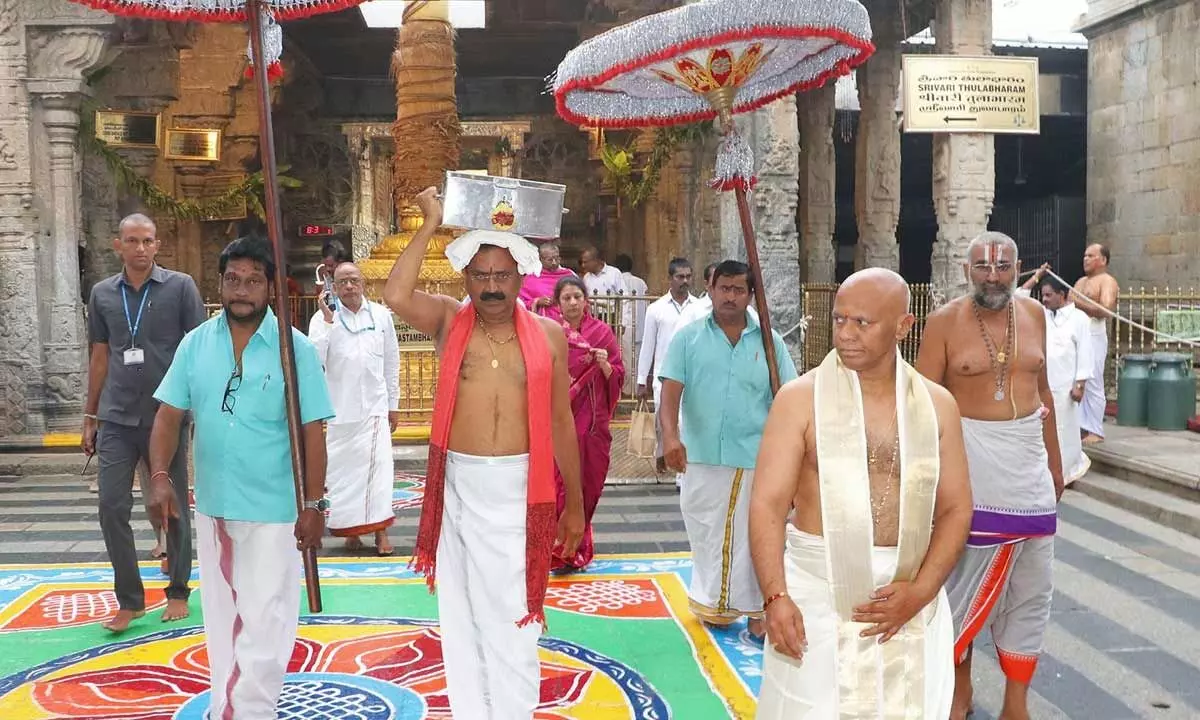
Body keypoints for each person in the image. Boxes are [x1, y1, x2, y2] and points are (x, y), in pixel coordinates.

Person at [382, 186, 585, 718]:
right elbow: (397, 296)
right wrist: (428, 223)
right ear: (464, 278)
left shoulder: (548, 335)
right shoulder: (450, 322)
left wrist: (577, 503)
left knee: (516, 618)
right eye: (480, 276)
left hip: (522, 492)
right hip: (459, 491)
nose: (491, 288)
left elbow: (562, 421)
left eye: (501, 276)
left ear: (521, 276)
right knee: (465, 614)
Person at [750, 268, 973, 718]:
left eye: (862, 323)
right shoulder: (799, 399)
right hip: (817, 592)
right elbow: (768, 505)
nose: (846, 334)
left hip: (909, 597)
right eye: (839, 320)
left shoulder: (937, 405)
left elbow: (955, 509)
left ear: (903, 326)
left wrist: (921, 591)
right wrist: (775, 596)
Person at [146, 236, 334, 719]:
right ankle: (232, 708)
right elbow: (168, 415)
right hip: (214, 505)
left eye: (253, 280)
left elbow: (313, 431)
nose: (242, 290)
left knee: (266, 624)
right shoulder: (196, 343)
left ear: (271, 287)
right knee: (226, 620)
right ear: (221, 283)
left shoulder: (296, 349)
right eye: (233, 280)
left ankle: (244, 712)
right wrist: (162, 476)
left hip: (275, 510)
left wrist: (315, 505)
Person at [916, 231, 1064, 720]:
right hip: (970, 474)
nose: (993, 276)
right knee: (962, 590)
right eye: (983, 266)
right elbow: (921, 405)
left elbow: (1044, 393)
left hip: (1030, 476)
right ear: (967, 270)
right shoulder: (943, 323)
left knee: (1030, 592)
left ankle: (1015, 705)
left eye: (1003, 267)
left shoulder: (1036, 314)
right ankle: (958, 694)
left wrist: (1057, 466)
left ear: (1018, 268)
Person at [659, 260, 798, 637]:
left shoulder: (770, 342)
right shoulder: (689, 338)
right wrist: (670, 438)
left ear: (751, 295)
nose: (731, 297)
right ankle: (714, 601)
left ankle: (757, 609)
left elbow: (790, 396)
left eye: (739, 290)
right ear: (712, 288)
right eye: (724, 288)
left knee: (757, 535)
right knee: (706, 531)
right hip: (701, 456)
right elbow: (670, 394)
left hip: (755, 457)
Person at [82, 213, 206, 633]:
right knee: (111, 506)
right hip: (116, 415)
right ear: (118, 245)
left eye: (147, 241)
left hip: (165, 416)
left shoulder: (181, 287)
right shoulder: (101, 294)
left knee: (169, 501)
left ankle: (177, 591)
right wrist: (90, 415)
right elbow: (100, 356)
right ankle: (130, 599)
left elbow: (199, 351)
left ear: (157, 245)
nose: (140, 248)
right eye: (131, 241)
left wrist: (199, 409)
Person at [308, 261, 401, 555]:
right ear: (333, 286)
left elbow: (391, 362)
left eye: (354, 280)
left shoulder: (381, 315)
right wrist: (326, 320)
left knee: (379, 474)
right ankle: (351, 531)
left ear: (363, 284)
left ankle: (380, 533)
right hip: (340, 410)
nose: (349, 286)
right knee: (343, 478)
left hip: (375, 407)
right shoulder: (322, 320)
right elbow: (314, 360)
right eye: (342, 282)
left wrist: (393, 404)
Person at [551, 276, 625, 572]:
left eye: (577, 297)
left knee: (588, 485)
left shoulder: (602, 332)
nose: (572, 303)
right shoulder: (552, 333)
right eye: (566, 298)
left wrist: (604, 364)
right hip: (561, 421)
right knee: (560, 486)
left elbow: (618, 376)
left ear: (586, 301)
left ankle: (579, 548)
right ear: (558, 304)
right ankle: (559, 548)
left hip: (593, 423)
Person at [1021, 268, 1094, 486]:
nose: (1044, 299)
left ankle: (1068, 471)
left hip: (1066, 386)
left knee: (1066, 429)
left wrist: (1080, 383)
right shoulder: (1041, 314)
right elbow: (1018, 297)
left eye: (1049, 295)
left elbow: (1085, 352)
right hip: (1044, 383)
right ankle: (1046, 470)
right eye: (1042, 295)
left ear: (1062, 295)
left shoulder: (1079, 319)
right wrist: (1037, 276)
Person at [636, 258, 697, 476]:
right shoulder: (656, 309)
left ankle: (682, 464)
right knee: (664, 420)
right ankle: (662, 453)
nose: (685, 281)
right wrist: (642, 380)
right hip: (664, 375)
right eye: (680, 277)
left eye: (688, 276)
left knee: (685, 420)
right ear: (670, 279)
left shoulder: (699, 308)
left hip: (692, 375)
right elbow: (648, 345)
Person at [1071, 243, 1119, 445]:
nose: (1086, 259)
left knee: (1092, 381)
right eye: (1085, 255)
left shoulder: (1107, 281)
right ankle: (1080, 425)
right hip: (1076, 334)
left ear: (1103, 260)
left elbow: (1106, 310)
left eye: (1091, 256)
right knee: (1076, 378)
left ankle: (1095, 430)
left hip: (1094, 334)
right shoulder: (1080, 281)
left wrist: (1077, 302)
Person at [517, 240, 576, 317]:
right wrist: (537, 301)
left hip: (568, 320)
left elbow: (580, 296)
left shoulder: (569, 274)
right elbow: (519, 303)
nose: (554, 262)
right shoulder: (531, 278)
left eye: (556, 258)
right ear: (540, 260)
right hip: (542, 323)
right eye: (550, 260)